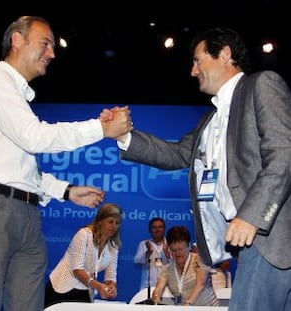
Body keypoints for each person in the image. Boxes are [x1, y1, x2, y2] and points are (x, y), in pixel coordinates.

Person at [103, 27, 291, 311]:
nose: (193, 71)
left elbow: (284, 153)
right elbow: (176, 152)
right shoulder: (210, 120)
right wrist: (123, 136)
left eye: (198, 60)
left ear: (225, 54)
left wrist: (251, 217)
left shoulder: (261, 85)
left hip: (269, 237)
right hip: (253, 245)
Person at [0, 16, 133, 311]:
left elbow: (21, 167)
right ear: (17, 40)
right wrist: (100, 129)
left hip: (29, 215)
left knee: (28, 305)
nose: (52, 53)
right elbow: (33, 137)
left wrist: (66, 190)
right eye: (45, 43)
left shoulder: (16, 99)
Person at [44, 203, 123, 307]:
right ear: (100, 221)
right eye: (110, 222)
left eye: (117, 223)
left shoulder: (113, 246)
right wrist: (98, 286)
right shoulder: (84, 234)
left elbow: (111, 275)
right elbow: (77, 270)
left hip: (85, 289)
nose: (114, 226)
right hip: (62, 287)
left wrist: (111, 286)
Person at [152, 226, 218, 306]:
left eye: (180, 249)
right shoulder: (167, 269)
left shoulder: (200, 260)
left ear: (189, 246)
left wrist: (188, 304)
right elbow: (158, 289)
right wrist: (156, 298)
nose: (177, 253)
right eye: (173, 250)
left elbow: (201, 284)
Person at [133, 217, 170, 290]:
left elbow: (176, 263)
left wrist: (166, 252)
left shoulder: (170, 244)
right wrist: (148, 253)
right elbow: (136, 260)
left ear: (164, 229)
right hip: (148, 286)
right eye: (154, 227)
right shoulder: (144, 244)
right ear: (150, 230)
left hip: (166, 285)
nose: (157, 230)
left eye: (160, 227)